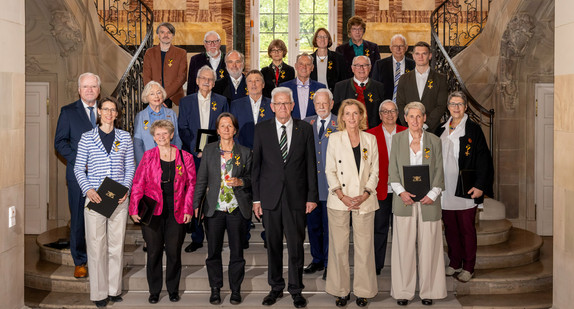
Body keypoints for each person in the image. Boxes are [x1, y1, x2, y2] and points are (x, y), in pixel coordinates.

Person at [252, 87, 318, 308]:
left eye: (286, 103)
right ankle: (276, 287)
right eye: (278, 103)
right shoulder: (261, 129)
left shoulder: (305, 130)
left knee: (296, 246)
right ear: (272, 107)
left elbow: (310, 165)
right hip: (270, 199)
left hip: (296, 198)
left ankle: (296, 289)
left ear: (292, 105)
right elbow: (256, 167)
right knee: (272, 245)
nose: (282, 107)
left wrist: (311, 197)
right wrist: (256, 199)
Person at [73, 97, 135, 308]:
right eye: (105, 109)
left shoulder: (125, 137)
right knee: (97, 246)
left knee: (116, 246)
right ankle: (99, 293)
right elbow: (78, 168)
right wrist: (88, 189)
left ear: (117, 114)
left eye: (113, 110)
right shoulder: (87, 138)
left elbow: (130, 167)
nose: (109, 113)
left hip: (118, 199)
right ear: (99, 112)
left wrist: (126, 188)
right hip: (95, 199)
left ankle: (113, 289)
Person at [129, 120, 196, 304]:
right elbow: (138, 183)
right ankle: (154, 291)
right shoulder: (148, 157)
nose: (161, 137)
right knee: (154, 251)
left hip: (177, 209)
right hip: (152, 211)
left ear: (171, 135)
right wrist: (134, 207)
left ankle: (173, 289)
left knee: (174, 251)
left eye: (164, 133)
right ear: (153, 137)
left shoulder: (185, 157)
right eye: (157, 134)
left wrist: (188, 208)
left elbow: (192, 185)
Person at [388, 102, 446, 306]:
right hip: (404, 201)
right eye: (411, 117)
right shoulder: (397, 139)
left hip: (429, 202)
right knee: (404, 248)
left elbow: (439, 170)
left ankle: (429, 290)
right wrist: (402, 192)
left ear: (424, 118)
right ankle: (404, 292)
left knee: (429, 247)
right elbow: (393, 170)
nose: (414, 120)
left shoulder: (434, 140)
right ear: (405, 118)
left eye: (418, 116)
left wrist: (432, 193)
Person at [194, 113, 253, 305]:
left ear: (235, 130)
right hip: (214, 209)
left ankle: (236, 290)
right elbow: (202, 179)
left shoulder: (245, 152)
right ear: (217, 130)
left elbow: (252, 179)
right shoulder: (209, 150)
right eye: (222, 126)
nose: (226, 129)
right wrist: (196, 204)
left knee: (237, 253)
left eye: (230, 126)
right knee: (213, 252)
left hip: (237, 209)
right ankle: (215, 289)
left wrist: (241, 181)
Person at [324, 99, 379, 307]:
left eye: (355, 113)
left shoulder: (370, 139)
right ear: (342, 117)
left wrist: (365, 194)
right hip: (340, 200)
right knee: (339, 248)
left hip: (364, 201)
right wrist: (341, 195)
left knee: (364, 248)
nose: (352, 117)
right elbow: (329, 170)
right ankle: (341, 290)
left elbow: (375, 171)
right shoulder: (334, 139)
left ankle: (363, 291)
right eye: (347, 113)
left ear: (361, 115)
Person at [435, 91, 494, 283]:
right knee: (450, 229)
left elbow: (484, 160)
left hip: (466, 190)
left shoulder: (473, 130)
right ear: (448, 106)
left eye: (460, 104)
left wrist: (480, 186)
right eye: (453, 104)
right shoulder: (440, 129)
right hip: (445, 190)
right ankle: (455, 263)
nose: (456, 107)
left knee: (466, 229)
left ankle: (468, 266)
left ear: (466, 107)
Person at [54, 72, 101, 279]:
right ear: (79, 89)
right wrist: (82, 160)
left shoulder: (107, 110)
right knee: (79, 220)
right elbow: (60, 143)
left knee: (101, 218)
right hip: (78, 177)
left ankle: (100, 259)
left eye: (93, 86)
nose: (89, 90)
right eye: (85, 86)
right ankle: (80, 261)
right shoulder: (68, 112)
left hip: (104, 177)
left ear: (99, 89)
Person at [178, 65, 229, 252]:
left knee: (214, 195)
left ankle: (215, 238)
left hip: (216, 156)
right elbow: (182, 127)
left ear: (214, 83)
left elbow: (226, 126)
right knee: (196, 196)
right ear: (197, 81)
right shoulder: (186, 102)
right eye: (203, 79)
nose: (206, 82)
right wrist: (195, 148)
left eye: (210, 79)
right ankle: (197, 237)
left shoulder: (222, 101)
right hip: (194, 157)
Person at [365, 100, 407, 275]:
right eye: (385, 112)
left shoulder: (407, 133)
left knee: (402, 231)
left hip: (403, 191)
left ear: (397, 114)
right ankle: (376, 264)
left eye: (393, 111)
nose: (389, 115)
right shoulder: (370, 134)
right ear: (380, 115)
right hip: (380, 189)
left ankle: (402, 264)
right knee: (379, 229)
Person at [302, 88, 338, 280]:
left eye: (325, 103)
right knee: (313, 225)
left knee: (330, 227)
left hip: (333, 187)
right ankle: (317, 259)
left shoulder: (340, 123)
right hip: (311, 186)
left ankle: (329, 263)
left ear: (332, 104)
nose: (321, 106)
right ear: (313, 105)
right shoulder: (306, 123)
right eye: (318, 103)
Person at [396, 41, 448, 132]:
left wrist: (426, 124)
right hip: (410, 129)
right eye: (417, 54)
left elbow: (441, 105)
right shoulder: (404, 79)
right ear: (413, 56)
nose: (420, 57)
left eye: (424, 53)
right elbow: (400, 104)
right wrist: (409, 123)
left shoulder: (440, 79)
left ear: (430, 56)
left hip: (432, 129)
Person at [134, 81, 182, 165]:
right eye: (152, 94)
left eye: (158, 93)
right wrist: (143, 164)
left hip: (169, 160)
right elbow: (137, 143)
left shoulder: (171, 114)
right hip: (148, 162)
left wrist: (175, 156)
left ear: (162, 95)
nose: (156, 96)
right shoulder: (141, 116)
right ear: (146, 97)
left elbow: (177, 137)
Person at [142, 22, 187, 107]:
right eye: (162, 32)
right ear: (158, 35)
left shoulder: (181, 53)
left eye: (169, 32)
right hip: (153, 98)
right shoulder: (150, 53)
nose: (165, 35)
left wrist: (162, 96)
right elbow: (146, 77)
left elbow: (182, 77)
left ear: (173, 35)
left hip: (173, 98)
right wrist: (155, 96)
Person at [333, 55, 384, 129]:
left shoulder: (379, 87)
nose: (361, 68)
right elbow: (336, 113)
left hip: (372, 132)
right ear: (352, 68)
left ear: (370, 68)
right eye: (357, 65)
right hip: (347, 132)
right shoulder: (340, 87)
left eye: (365, 65)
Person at [230, 70, 274, 149]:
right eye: (250, 81)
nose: (253, 84)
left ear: (263, 84)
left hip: (267, 151)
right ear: (246, 85)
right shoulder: (236, 105)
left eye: (257, 80)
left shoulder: (273, 104)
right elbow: (232, 131)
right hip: (243, 152)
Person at [280, 53, 326, 119]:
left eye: (308, 64)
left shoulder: (320, 88)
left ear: (312, 68)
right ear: (296, 66)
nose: (304, 67)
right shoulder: (284, 88)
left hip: (313, 127)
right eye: (301, 64)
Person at [372, 34, 415, 102]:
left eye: (401, 46)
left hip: (407, 107)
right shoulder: (380, 65)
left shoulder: (414, 65)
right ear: (390, 48)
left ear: (406, 48)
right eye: (395, 46)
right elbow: (374, 88)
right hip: (385, 107)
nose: (398, 49)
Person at [187, 31, 227, 95]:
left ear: (220, 43)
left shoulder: (228, 59)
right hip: (202, 100)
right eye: (209, 42)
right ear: (204, 44)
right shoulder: (196, 60)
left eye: (215, 41)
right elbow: (191, 85)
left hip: (224, 100)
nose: (212, 45)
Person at [310, 28, 347, 93]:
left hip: (333, 96)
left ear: (328, 39)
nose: (322, 39)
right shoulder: (309, 59)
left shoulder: (338, 58)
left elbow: (344, 80)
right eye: (319, 37)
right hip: (313, 96)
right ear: (316, 39)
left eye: (325, 37)